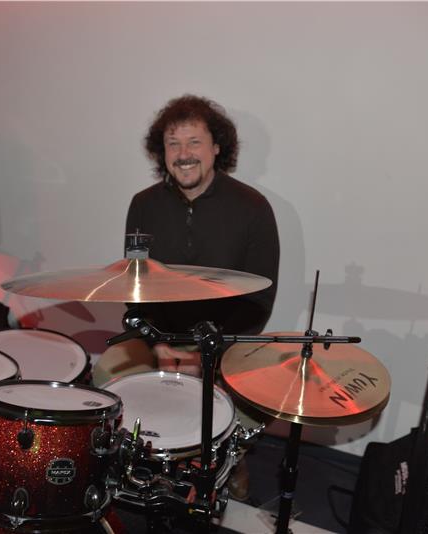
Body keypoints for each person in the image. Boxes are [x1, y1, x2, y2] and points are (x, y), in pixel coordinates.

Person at [92, 94, 280, 501]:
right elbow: (135, 287)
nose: (184, 154)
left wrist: (204, 354)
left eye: (195, 141)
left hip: (225, 340)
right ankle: (143, 462)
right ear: (162, 152)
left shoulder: (253, 208)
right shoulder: (143, 205)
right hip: (160, 337)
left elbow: (260, 300)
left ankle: (228, 458)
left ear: (217, 147)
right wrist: (156, 343)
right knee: (105, 374)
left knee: (255, 396)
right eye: (173, 143)